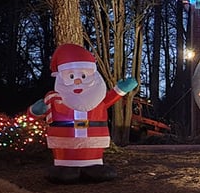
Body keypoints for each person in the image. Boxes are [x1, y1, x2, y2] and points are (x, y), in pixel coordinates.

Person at [27, 44, 138, 183]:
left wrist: (120, 89)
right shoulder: (56, 99)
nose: (78, 81)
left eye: (83, 76)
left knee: (96, 170)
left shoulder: (97, 99)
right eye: (71, 76)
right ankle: (65, 167)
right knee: (65, 173)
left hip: (94, 149)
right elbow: (35, 114)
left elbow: (109, 99)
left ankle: (94, 166)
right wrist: (36, 110)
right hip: (64, 148)